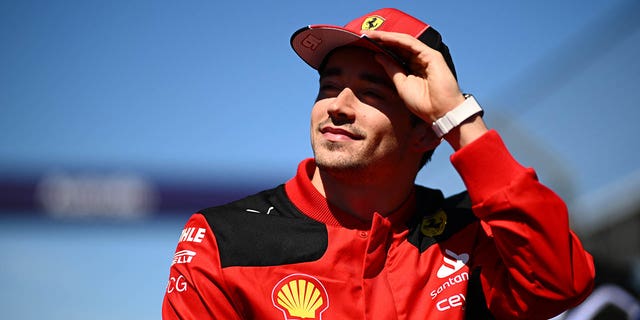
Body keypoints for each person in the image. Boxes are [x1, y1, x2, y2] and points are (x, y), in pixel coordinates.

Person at [162, 8, 595, 319]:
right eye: (329, 87)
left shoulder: (472, 236)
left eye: (372, 93)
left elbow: (559, 284)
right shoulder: (222, 239)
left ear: (426, 129)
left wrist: (460, 119)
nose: (339, 106)